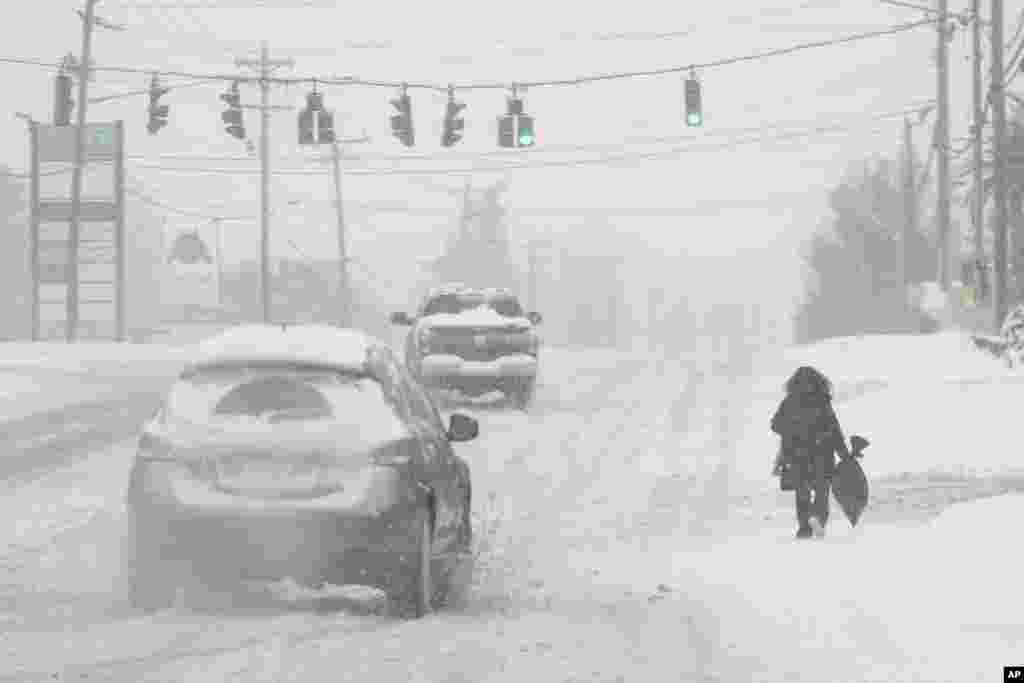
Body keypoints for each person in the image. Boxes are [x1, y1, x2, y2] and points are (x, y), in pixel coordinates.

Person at [770, 366, 850, 539]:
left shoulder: (790, 402)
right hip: (822, 453)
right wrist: (843, 453)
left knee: (802, 492)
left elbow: (775, 424)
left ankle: (804, 528)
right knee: (822, 491)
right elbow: (834, 429)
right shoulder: (822, 401)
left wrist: (793, 430)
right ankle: (818, 518)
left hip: (797, 455)